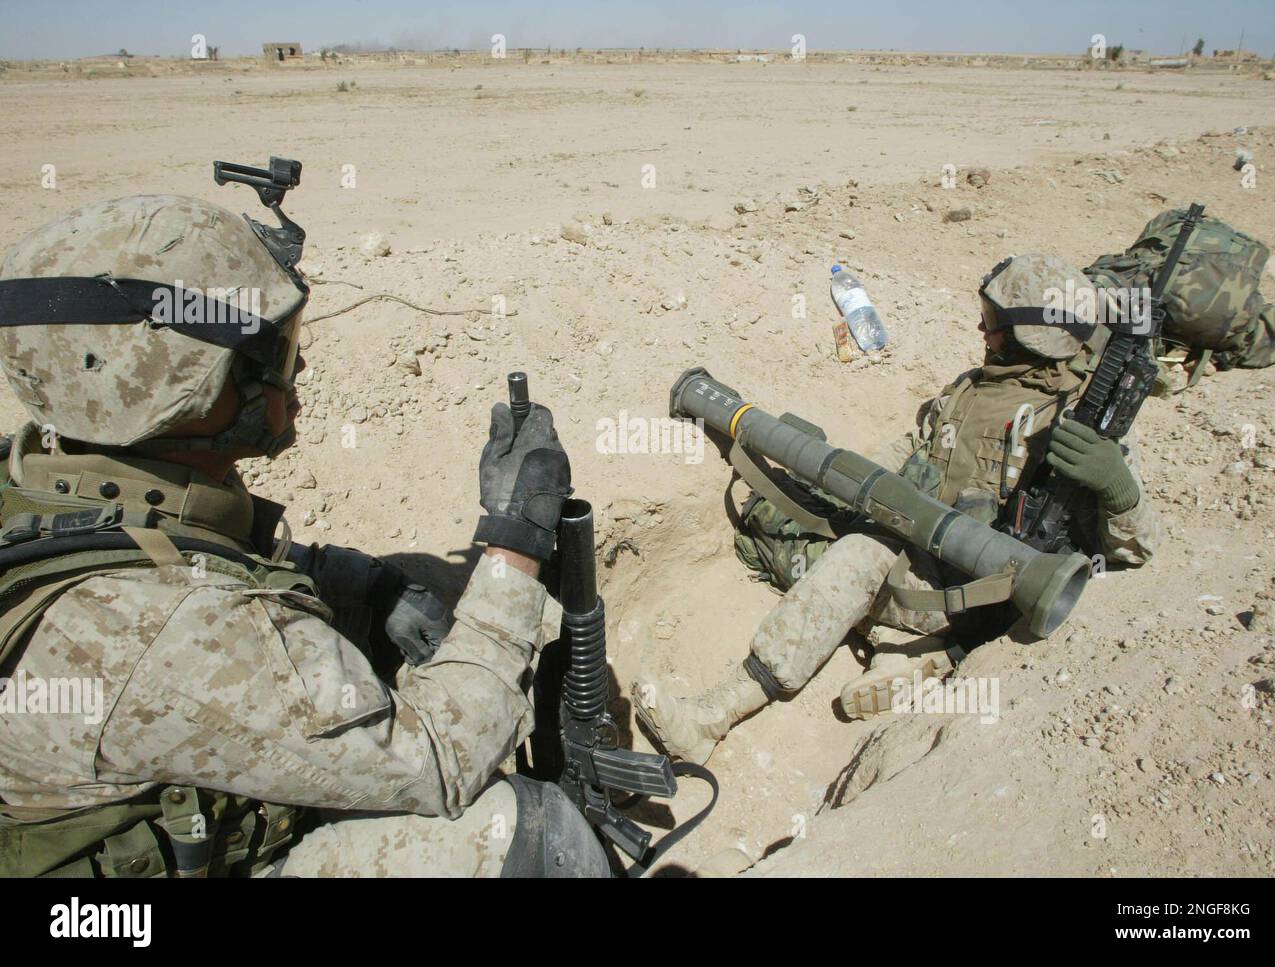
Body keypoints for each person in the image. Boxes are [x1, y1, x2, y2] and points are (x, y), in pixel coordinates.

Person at [0, 191, 606, 877]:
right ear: (196, 392)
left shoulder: (52, 475)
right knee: (532, 833)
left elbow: (209, 552)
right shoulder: (163, 631)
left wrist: (367, 585)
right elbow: (443, 758)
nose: (301, 369)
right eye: (278, 351)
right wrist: (514, 544)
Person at [634, 254, 1160, 765]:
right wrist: (845, 485)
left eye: (993, 320)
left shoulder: (1071, 425)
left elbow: (1135, 550)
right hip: (918, 553)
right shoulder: (972, 389)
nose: (982, 328)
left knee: (856, 557)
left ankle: (717, 715)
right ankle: (911, 649)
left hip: (973, 590)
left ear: (1028, 335)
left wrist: (1117, 488)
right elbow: (912, 446)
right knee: (785, 518)